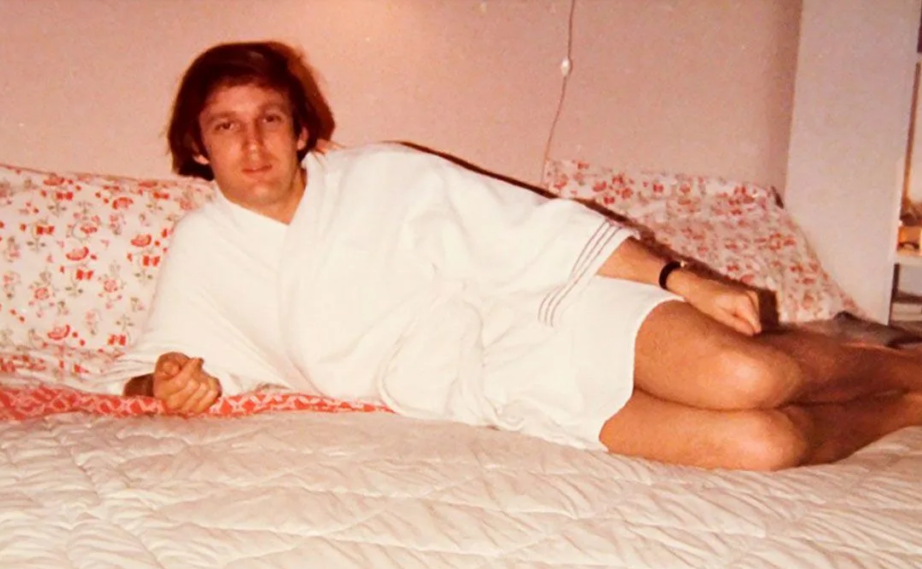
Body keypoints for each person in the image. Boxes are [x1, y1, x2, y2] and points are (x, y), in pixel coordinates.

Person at [118, 40, 922, 471]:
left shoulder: (386, 175)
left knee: (749, 377)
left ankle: (904, 365)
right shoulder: (205, 248)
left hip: (550, 306)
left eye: (269, 118)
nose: (253, 142)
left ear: (301, 129)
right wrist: (171, 384)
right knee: (763, 445)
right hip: (494, 384)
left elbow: (536, 231)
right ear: (199, 146)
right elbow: (148, 364)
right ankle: (907, 408)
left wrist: (683, 280)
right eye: (226, 125)